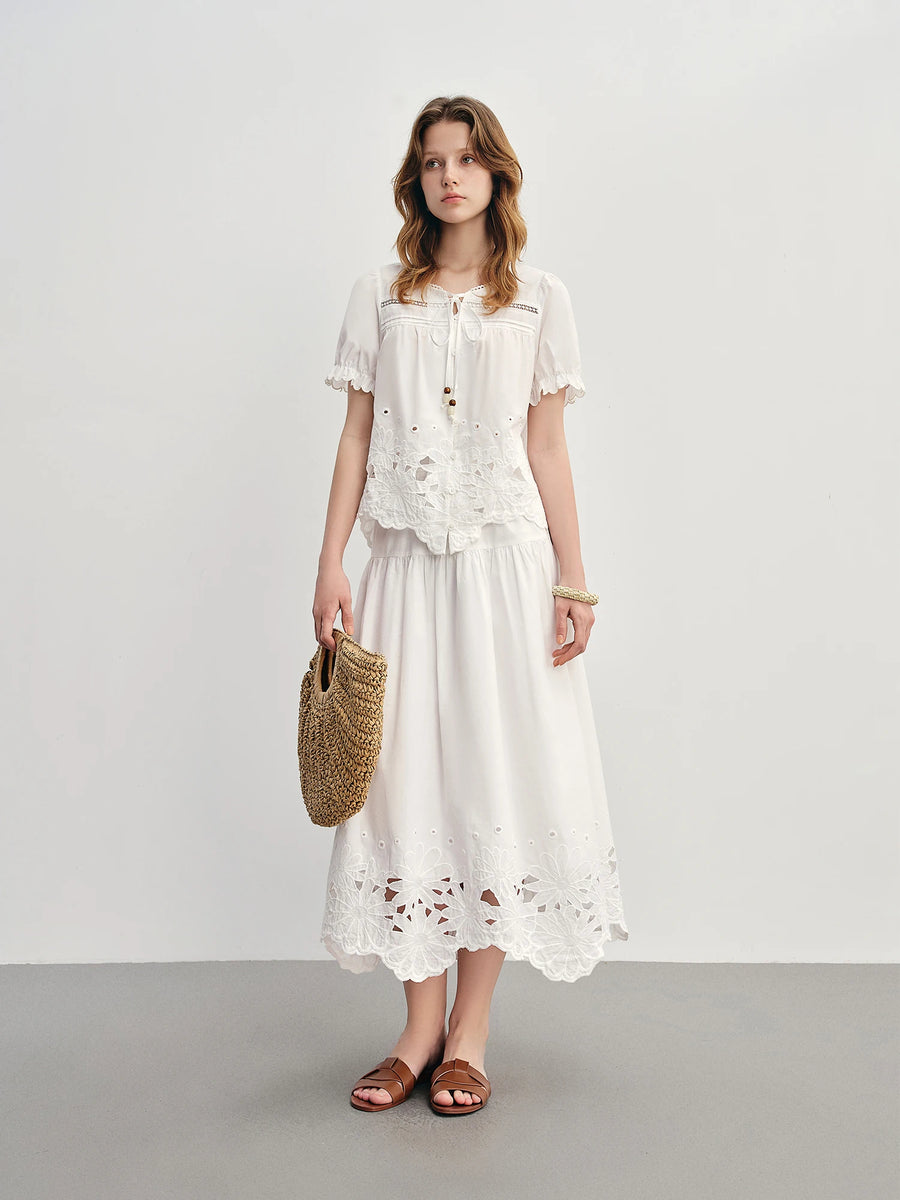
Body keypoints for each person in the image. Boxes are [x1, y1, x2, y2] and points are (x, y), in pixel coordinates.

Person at [313, 95, 629, 1116]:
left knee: (493, 778)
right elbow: (357, 440)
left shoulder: (539, 297)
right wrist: (329, 565)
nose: (451, 176)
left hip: (504, 571)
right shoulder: (379, 296)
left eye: (468, 159)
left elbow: (547, 452)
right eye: (433, 161)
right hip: (402, 570)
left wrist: (574, 579)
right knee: (403, 780)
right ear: (418, 180)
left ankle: (472, 1034)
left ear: (497, 174)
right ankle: (417, 1027)